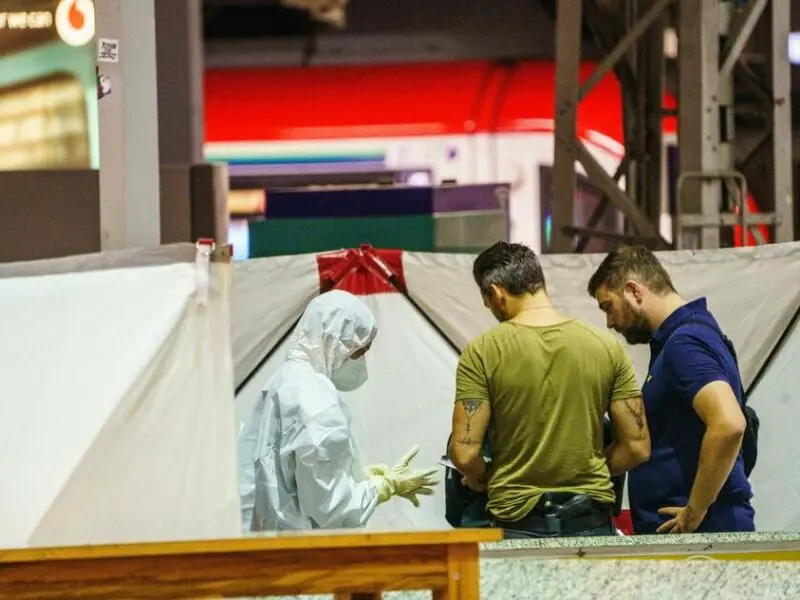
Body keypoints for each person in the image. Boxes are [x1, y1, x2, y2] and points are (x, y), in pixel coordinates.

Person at [448, 241, 651, 538]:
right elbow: (637, 447)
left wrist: (484, 477)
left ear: (495, 293)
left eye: (486, 300)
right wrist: (586, 470)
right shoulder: (606, 346)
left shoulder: (482, 352)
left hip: (518, 528)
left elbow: (464, 455)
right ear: (540, 283)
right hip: (591, 525)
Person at [587, 246, 754, 534]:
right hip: (696, 537)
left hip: (703, 538)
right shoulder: (684, 339)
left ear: (633, 291)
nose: (609, 322)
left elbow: (729, 424)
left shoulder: (684, 344)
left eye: (608, 307)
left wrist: (695, 510)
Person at [240, 289, 439, 531]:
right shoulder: (317, 400)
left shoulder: (282, 382)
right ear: (334, 343)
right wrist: (383, 487)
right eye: (358, 353)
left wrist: (358, 475)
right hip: (311, 552)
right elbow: (331, 508)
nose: (361, 363)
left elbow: (294, 474)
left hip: (273, 542)